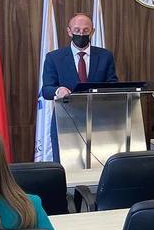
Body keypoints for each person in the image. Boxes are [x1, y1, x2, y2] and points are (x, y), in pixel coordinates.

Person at [41, 13, 118, 161]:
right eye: (77, 30)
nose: (81, 34)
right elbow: (46, 90)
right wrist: (58, 90)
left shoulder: (105, 56)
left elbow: (112, 85)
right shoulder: (54, 57)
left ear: (92, 32)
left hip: (99, 123)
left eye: (85, 30)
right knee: (65, 167)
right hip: (65, 123)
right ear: (69, 31)